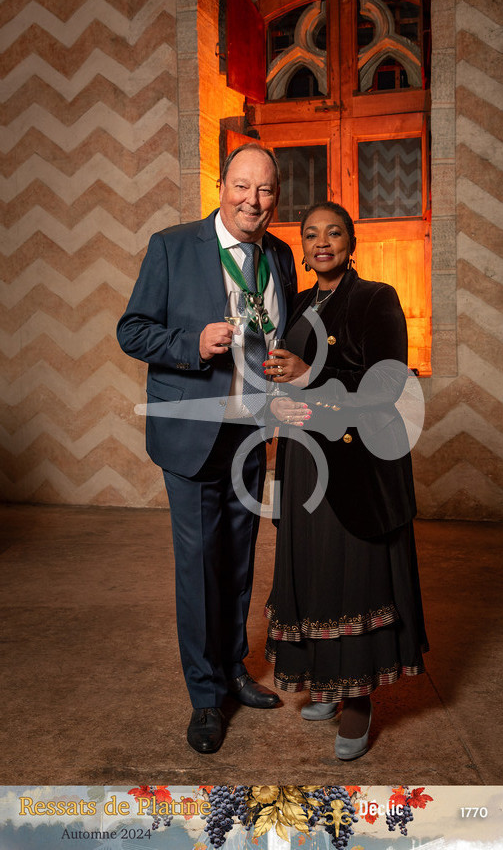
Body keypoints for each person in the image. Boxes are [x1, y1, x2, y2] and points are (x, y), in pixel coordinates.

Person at [117, 144, 297, 754]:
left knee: (239, 562)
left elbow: (281, 331)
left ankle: (233, 668)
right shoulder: (172, 246)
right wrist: (191, 343)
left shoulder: (280, 255)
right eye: (243, 186)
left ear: (276, 197)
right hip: (192, 433)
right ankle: (205, 697)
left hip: (250, 432)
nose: (253, 200)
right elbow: (132, 330)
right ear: (221, 186)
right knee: (198, 568)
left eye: (265, 190)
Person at [262, 201, 428, 760]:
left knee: (353, 579)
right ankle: (327, 685)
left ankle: (357, 700)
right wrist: (278, 403)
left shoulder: (377, 297)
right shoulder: (298, 304)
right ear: (303, 250)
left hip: (356, 463)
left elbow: (387, 383)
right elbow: (283, 382)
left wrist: (311, 375)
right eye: (311, 235)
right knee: (314, 574)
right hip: (304, 458)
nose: (322, 242)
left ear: (351, 243)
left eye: (334, 233)